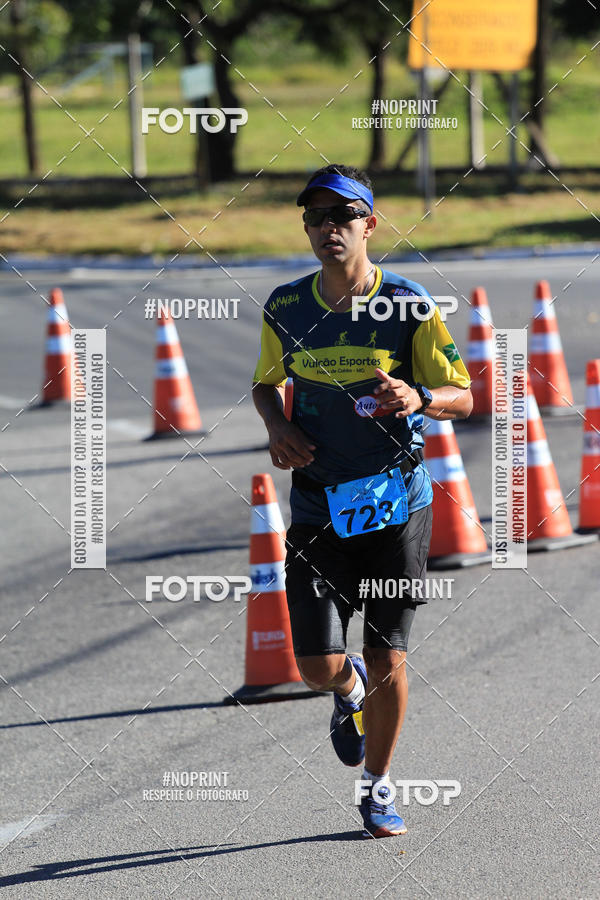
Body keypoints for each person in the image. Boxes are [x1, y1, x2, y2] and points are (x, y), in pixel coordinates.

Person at [252, 164, 472, 838]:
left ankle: (376, 788)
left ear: (369, 224)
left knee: (388, 656)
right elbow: (264, 383)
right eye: (315, 218)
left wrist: (421, 397)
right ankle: (345, 692)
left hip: (395, 507)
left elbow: (464, 395)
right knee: (316, 667)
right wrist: (278, 426)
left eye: (342, 217)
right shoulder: (286, 308)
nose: (328, 229)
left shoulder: (408, 306)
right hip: (319, 507)